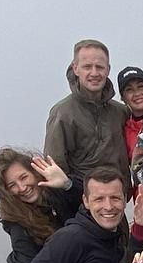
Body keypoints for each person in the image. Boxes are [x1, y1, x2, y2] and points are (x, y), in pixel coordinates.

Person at [43, 40, 129, 180]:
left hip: (117, 197)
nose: (94, 73)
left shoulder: (121, 112)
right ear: (75, 68)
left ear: (108, 70)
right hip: (79, 198)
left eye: (100, 67)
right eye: (87, 67)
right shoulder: (62, 114)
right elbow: (54, 166)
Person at [116, 66, 143, 158]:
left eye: (141, 87)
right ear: (123, 98)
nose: (137, 93)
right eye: (129, 90)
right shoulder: (122, 131)